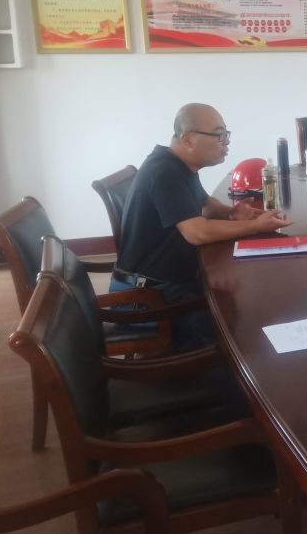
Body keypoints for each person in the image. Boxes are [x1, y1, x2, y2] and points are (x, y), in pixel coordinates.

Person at [114, 103, 295, 353]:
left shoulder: (178, 164)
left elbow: (205, 206)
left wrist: (232, 213)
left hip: (165, 282)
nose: (226, 141)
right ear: (188, 139)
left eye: (226, 134)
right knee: (236, 335)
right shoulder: (165, 171)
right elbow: (197, 232)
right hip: (146, 296)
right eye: (219, 135)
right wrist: (254, 226)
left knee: (240, 305)